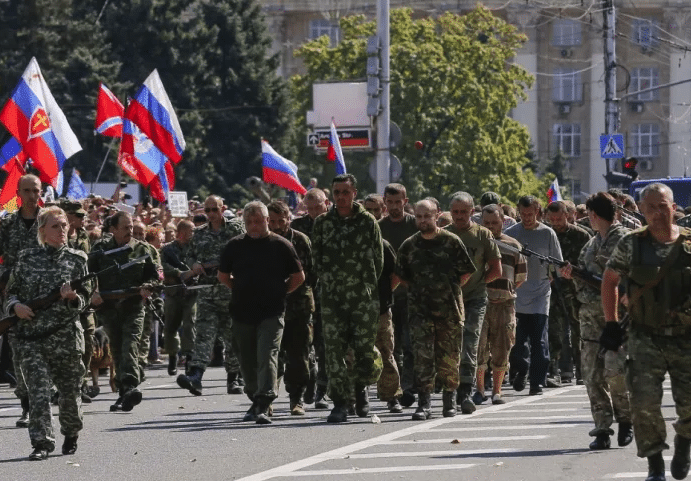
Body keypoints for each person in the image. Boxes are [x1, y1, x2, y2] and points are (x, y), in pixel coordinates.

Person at [602, 183, 691, 481]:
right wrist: (611, 323)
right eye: (650, 207)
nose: (657, 212)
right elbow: (610, 280)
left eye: (662, 205)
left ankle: (684, 444)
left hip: (686, 338)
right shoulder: (631, 244)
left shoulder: (690, 244)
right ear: (641, 210)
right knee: (643, 403)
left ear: (674, 206)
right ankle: (655, 465)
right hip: (645, 336)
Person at [5, 206, 93, 460]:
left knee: (69, 393)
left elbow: (86, 298)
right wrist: (16, 307)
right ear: (42, 231)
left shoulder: (78, 260)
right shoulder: (26, 258)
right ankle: (42, 442)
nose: (62, 230)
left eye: (64, 225)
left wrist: (73, 297)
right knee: (39, 391)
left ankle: (71, 431)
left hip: (65, 338)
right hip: (33, 338)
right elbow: (11, 292)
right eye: (56, 226)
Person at [218, 201, 305, 424]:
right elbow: (223, 275)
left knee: (267, 355)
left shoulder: (281, 245)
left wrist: (280, 292)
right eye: (249, 222)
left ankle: (263, 401)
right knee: (247, 360)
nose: (254, 226)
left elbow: (298, 277)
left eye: (258, 221)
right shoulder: (234, 246)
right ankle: (256, 396)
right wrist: (238, 289)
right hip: (242, 312)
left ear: (267, 220)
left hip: (272, 312)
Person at [562, 192, 632, 451]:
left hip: (618, 319)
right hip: (590, 319)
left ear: (594, 214)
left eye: (589, 214)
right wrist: (572, 274)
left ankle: (626, 420)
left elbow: (634, 274)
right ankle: (602, 428)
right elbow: (584, 273)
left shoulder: (624, 239)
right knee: (592, 376)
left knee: (616, 372)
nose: (587, 218)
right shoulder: (591, 244)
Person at [312, 174, 384, 423]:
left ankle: (361, 389)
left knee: (364, 350)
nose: (340, 197)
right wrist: (331, 283)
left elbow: (378, 260)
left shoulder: (367, 222)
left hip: (362, 299)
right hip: (332, 298)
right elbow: (316, 258)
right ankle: (341, 402)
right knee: (334, 352)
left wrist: (364, 285)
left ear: (354, 193)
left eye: (345, 192)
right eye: (336, 192)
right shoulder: (322, 223)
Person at [395, 200, 476, 419]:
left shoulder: (451, 241)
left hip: (449, 311)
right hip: (420, 312)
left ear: (437, 215)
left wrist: (449, 289)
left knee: (449, 357)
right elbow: (402, 275)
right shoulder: (409, 245)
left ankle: (449, 400)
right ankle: (425, 403)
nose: (422, 220)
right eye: (419, 217)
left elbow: (466, 272)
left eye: (427, 216)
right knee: (423, 358)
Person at [89, 211, 162, 412]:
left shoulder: (144, 250)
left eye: (132, 227)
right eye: (125, 228)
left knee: (131, 344)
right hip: (109, 308)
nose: (130, 231)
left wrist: (148, 286)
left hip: (134, 306)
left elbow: (157, 276)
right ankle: (123, 392)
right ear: (113, 229)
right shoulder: (100, 250)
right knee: (118, 350)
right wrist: (94, 292)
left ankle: (130, 384)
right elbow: (87, 275)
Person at [177, 195, 245, 396]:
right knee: (204, 335)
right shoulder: (198, 234)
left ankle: (234, 378)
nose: (211, 215)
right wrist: (194, 265)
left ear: (222, 209)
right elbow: (189, 255)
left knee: (232, 337)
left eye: (214, 210)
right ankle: (196, 376)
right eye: (207, 211)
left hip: (230, 291)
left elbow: (245, 253)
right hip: (206, 292)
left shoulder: (235, 230)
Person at [444, 192, 502, 413]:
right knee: (450, 344)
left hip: (475, 298)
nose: (459, 216)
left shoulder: (482, 235)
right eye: (455, 212)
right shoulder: (444, 235)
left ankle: (466, 391)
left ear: (472, 212)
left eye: (463, 212)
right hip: (449, 299)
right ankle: (449, 387)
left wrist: (477, 282)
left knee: (470, 342)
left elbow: (495, 270)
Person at [505, 196, 563, 396]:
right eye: (523, 214)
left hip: (540, 293)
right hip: (517, 293)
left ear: (538, 211)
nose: (527, 218)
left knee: (539, 341)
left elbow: (557, 264)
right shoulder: (511, 233)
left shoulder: (548, 233)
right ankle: (521, 369)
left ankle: (537, 382)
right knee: (516, 342)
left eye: (530, 214)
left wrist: (557, 281)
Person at [0, 174, 43, 427]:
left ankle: (46, 399)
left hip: (45, 296)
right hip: (15, 298)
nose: (31, 195)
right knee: (19, 356)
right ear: (18, 192)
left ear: (41, 192)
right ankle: (26, 405)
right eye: (26, 190)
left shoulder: (50, 222)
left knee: (47, 353)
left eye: (35, 190)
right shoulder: (6, 226)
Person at [267, 200, 315, 416]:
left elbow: (311, 273)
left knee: (298, 355)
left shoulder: (301, 241)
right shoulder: (263, 242)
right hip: (270, 306)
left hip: (298, 306)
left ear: (289, 218)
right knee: (270, 355)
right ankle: (267, 397)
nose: (277, 225)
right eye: (273, 221)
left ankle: (297, 399)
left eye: (281, 220)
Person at [478, 204, 527, 404]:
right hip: (481, 303)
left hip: (504, 304)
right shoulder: (477, 243)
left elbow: (521, 277)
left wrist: (505, 290)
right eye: (486, 223)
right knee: (479, 347)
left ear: (503, 222)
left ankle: (497, 391)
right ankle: (479, 389)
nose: (491, 227)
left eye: (495, 223)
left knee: (503, 347)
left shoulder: (513, 245)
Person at [378, 183, 418, 407]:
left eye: (398, 202)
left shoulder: (415, 225)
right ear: (385, 202)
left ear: (405, 201)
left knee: (411, 345)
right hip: (388, 296)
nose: (393, 206)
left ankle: (410, 387)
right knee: (391, 348)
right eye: (390, 202)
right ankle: (394, 391)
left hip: (412, 295)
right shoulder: (378, 227)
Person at [363, 196, 404, 413]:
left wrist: (386, 294)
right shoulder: (352, 243)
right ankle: (359, 397)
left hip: (380, 309)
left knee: (386, 353)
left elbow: (395, 274)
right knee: (356, 354)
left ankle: (391, 397)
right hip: (357, 310)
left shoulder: (383, 245)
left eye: (374, 210)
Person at [544, 201, 592, 387]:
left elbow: (590, 261)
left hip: (576, 288)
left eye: (559, 218)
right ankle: (553, 371)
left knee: (578, 330)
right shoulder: (547, 234)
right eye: (552, 219)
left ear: (568, 215)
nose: (556, 222)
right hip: (554, 288)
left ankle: (581, 370)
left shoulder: (581, 235)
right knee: (554, 330)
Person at [291, 188, 329, 408]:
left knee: (323, 345)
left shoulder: (334, 224)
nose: (315, 212)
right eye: (310, 208)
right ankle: (310, 382)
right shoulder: (298, 228)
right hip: (304, 293)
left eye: (318, 207)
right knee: (305, 344)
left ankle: (322, 390)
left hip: (327, 293)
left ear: (327, 204)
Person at [160, 220, 197, 376]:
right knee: (170, 326)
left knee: (190, 323)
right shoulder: (167, 249)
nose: (194, 234)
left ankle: (189, 357)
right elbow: (162, 266)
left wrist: (192, 272)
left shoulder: (195, 249)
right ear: (182, 233)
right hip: (173, 292)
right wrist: (178, 272)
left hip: (191, 292)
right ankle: (173, 356)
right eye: (191, 231)